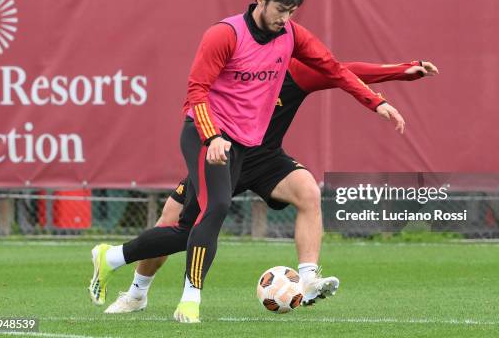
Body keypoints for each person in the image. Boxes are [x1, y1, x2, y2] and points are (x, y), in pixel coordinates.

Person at [90, 0, 427, 323]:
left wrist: (378, 101)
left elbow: (337, 69)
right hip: (208, 136)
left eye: (292, 11)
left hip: (255, 151)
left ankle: (110, 258)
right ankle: (186, 299)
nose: (285, 18)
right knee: (212, 210)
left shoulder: (292, 38)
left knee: (194, 227)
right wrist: (213, 135)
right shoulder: (225, 34)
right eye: (280, 9)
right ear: (261, 0)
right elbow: (197, 91)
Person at [99, 58, 438, 314]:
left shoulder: (295, 70)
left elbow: (343, 71)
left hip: (266, 160)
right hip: (224, 154)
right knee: (172, 227)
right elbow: (200, 99)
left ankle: (306, 278)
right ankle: (136, 294)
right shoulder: (237, 68)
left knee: (308, 191)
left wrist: (401, 70)